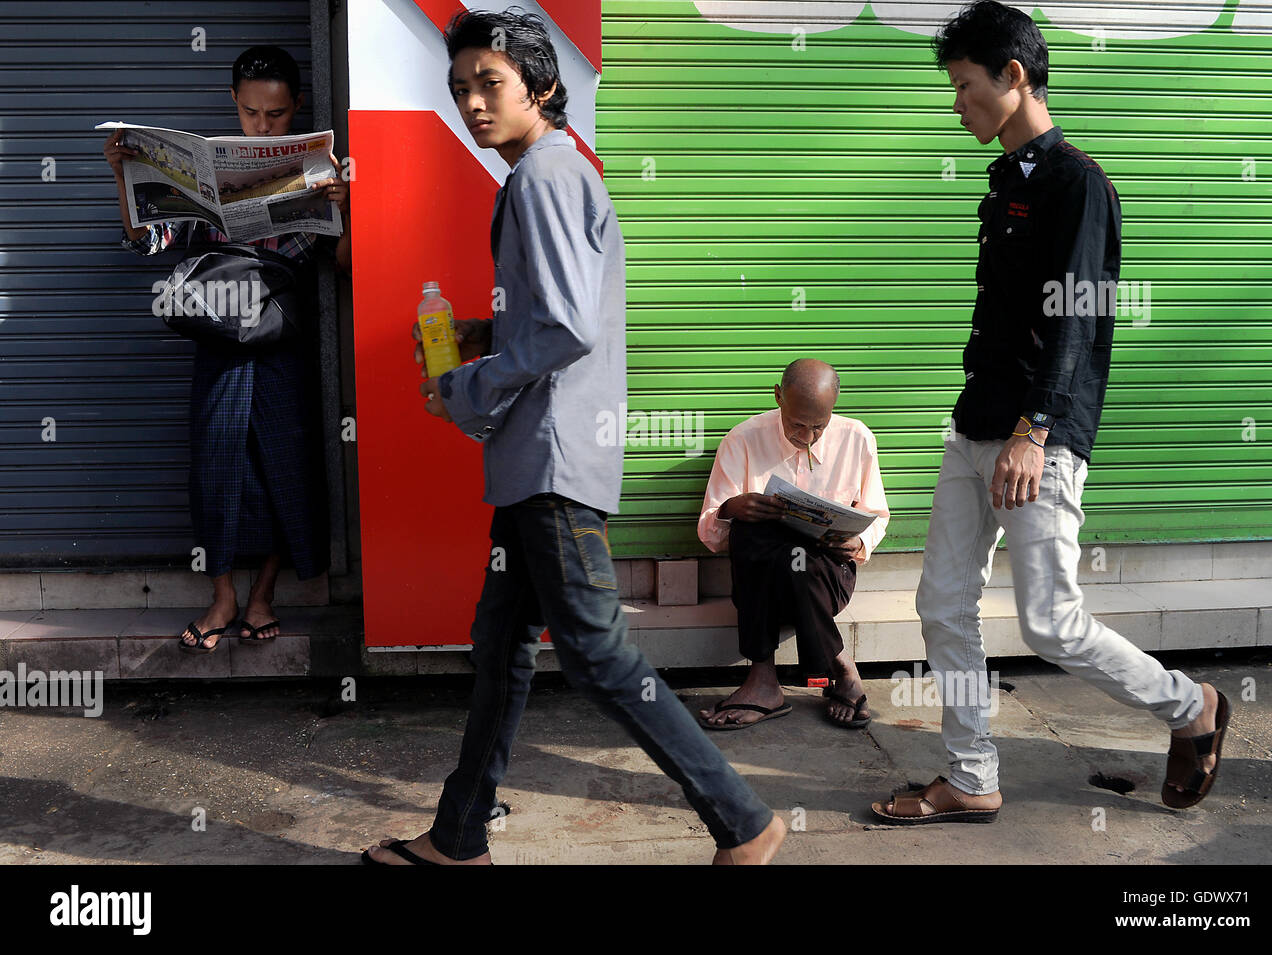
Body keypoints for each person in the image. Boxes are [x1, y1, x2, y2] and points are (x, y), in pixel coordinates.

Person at [361, 8, 784, 865]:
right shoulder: (550, 172)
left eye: (490, 83)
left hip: (550, 462)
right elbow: (551, 314)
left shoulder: (545, 177)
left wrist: (467, 385)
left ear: (542, 88)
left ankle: (744, 820)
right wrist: (484, 329)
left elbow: (565, 329)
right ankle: (458, 835)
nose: (473, 104)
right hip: (533, 465)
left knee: (593, 652)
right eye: (459, 90)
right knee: (500, 648)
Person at [870, 1, 1228, 824]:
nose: (956, 104)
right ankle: (970, 774)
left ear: (1015, 77)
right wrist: (988, 426)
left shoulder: (1077, 184)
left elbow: (1078, 320)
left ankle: (1191, 706)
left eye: (964, 87)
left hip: (1036, 436)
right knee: (941, 602)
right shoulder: (1004, 183)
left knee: (1052, 622)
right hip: (975, 425)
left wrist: (1035, 431)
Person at [105, 45, 351, 653]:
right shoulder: (202, 171)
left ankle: (262, 596)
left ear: (296, 107)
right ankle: (222, 598)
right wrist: (123, 176)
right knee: (215, 466)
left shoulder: (316, 172)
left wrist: (348, 209)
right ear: (233, 105)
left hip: (280, 334)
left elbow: (344, 265)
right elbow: (148, 242)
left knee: (282, 467)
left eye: (275, 115)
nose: (262, 127)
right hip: (219, 329)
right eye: (250, 114)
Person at [696, 359, 889, 729]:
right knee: (750, 532)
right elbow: (710, 533)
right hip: (760, 578)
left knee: (803, 559)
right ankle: (835, 668)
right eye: (797, 424)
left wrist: (858, 539)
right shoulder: (743, 439)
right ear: (778, 397)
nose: (808, 436)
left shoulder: (857, 438)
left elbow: (877, 514)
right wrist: (733, 508)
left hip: (824, 577)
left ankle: (768, 685)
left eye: (819, 426)